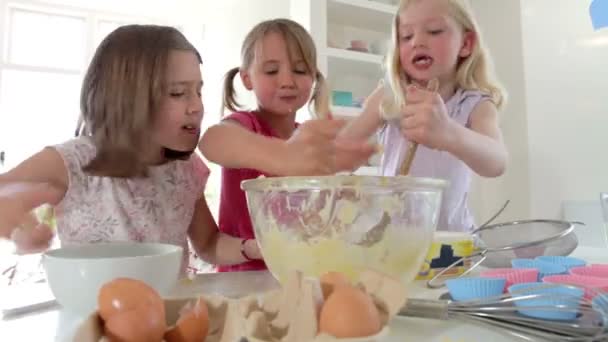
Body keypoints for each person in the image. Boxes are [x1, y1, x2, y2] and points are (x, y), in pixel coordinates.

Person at [0, 24, 256, 273]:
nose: (196, 106)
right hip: (94, 314)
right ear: (127, 96)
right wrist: (16, 225)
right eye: (178, 93)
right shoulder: (73, 161)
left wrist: (258, 248)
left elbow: (209, 243)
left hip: (169, 313)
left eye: (198, 91)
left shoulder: (188, 169)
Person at [199, 18, 375, 272]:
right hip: (245, 279)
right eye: (271, 71)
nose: (287, 81)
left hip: (301, 272)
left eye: (300, 70)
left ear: (313, 77)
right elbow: (212, 141)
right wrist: (283, 155)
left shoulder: (306, 137)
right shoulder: (246, 125)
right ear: (248, 78)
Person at [340, 0, 508, 232]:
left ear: (466, 43)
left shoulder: (474, 103)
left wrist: (449, 133)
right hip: (392, 240)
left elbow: (497, 162)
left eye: (434, 31)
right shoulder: (389, 96)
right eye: (406, 36)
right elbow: (344, 149)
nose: (418, 41)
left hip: (451, 242)